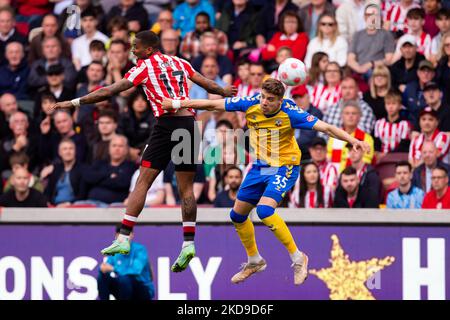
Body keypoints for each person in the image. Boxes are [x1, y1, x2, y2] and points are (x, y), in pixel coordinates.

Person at [50, 30, 236, 272]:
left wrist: (74, 102)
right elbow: (206, 83)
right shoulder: (180, 61)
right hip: (189, 125)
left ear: (148, 49)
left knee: (143, 182)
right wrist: (224, 92)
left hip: (165, 126)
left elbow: (109, 91)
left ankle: (124, 238)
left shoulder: (144, 66)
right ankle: (189, 243)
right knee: (186, 188)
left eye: (135, 47)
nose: (132, 50)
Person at [161, 78, 370, 285]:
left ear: (280, 101)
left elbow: (326, 128)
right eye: (262, 96)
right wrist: (178, 104)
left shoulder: (291, 113)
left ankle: (298, 257)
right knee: (237, 215)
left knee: (264, 211)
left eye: (270, 99)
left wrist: (353, 141)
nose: (264, 102)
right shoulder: (251, 103)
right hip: (260, 166)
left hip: (285, 165)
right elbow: (212, 104)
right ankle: (254, 260)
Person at [97, 225, 155, 300]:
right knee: (102, 277)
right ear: (117, 236)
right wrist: (102, 268)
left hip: (142, 289)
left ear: (132, 235)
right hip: (124, 288)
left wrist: (113, 268)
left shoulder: (140, 250)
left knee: (125, 279)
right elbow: (106, 267)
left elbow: (135, 270)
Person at [81, 135, 136, 206]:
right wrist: (109, 175)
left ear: (126, 150)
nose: (117, 149)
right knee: (76, 205)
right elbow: (88, 177)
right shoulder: (99, 163)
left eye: (120, 146)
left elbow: (123, 183)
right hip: (91, 203)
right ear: (109, 149)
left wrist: (98, 179)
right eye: (114, 146)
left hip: (116, 205)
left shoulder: (130, 167)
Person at [347, 3, 395, 77]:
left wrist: (371, 64)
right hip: (358, 69)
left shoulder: (386, 35)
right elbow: (350, 59)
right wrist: (359, 69)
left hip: (376, 70)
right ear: (364, 17)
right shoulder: (357, 35)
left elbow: (389, 59)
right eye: (368, 15)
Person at [327, 100, 375, 173]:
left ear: (359, 117)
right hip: (334, 175)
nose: (350, 116)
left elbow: (366, 161)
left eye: (354, 113)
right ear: (341, 116)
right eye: (347, 113)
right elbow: (328, 158)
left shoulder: (366, 138)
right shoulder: (334, 136)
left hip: (355, 176)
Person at [42, 138, 87, 207]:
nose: (68, 152)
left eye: (71, 149)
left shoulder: (82, 169)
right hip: (55, 207)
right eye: (65, 149)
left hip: (74, 207)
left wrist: (69, 204)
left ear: (75, 151)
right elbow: (48, 191)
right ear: (60, 153)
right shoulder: (56, 169)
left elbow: (83, 194)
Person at [374, 90, 412, 160]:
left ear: (400, 106)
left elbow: (403, 146)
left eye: (393, 104)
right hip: (381, 159)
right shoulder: (379, 123)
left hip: (399, 158)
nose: (390, 107)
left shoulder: (405, 124)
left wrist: (387, 155)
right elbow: (377, 144)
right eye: (388, 104)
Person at [291, 84, 323, 159]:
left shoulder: (315, 113)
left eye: (301, 97)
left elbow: (308, 137)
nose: (298, 100)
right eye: (296, 98)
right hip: (293, 153)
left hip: (306, 155)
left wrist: (289, 146)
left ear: (308, 97)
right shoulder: (292, 113)